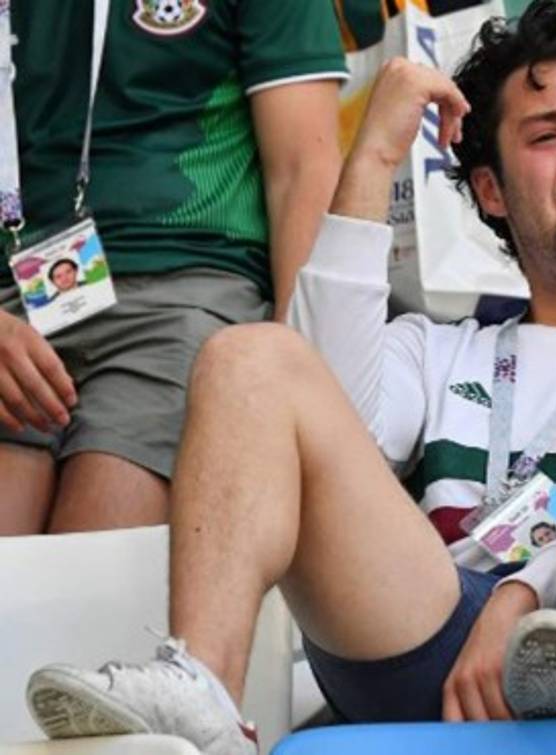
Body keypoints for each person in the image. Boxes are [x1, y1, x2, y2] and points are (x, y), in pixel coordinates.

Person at [25, 3, 556, 754]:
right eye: (547, 135)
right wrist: (374, 154)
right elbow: (307, 424)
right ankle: (204, 690)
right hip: (454, 664)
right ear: (490, 189)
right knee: (248, 358)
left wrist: (532, 591)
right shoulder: (440, 348)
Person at [0, 1, 346, 534]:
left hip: (187, 287)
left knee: (94, 565)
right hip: (12, 310)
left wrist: (291, 390)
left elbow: (303, 168)